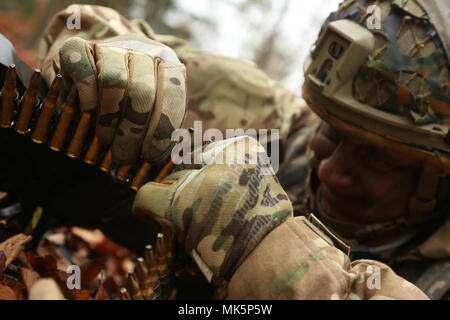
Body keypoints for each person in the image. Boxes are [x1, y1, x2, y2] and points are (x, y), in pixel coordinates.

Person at [34, 1, 449, 299]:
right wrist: (125, 62)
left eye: (379, 157)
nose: (330, 171)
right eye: (333, 131)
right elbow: (86, 28)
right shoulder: (278, 128)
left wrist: (268, 250)